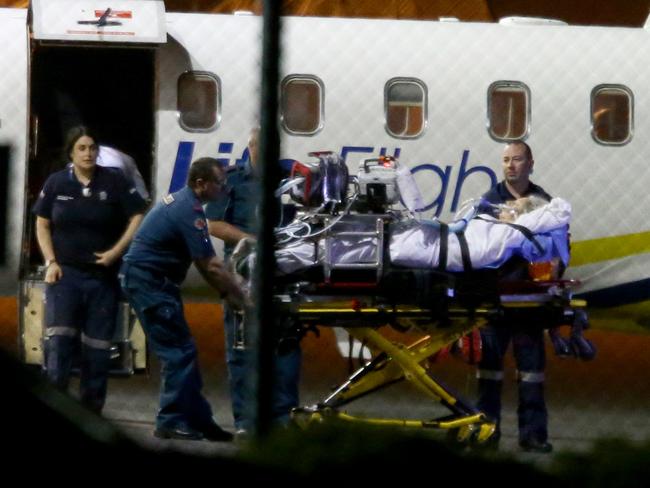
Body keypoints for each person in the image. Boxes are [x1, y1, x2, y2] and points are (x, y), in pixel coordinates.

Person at [120, 157, 247, 442]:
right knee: (178, 353)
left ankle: (199, 420)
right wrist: (237, 295)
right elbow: (210, 265)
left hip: (155, 282)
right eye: (220, 183)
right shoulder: (188, 211)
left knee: (184, 351)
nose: (224, 189)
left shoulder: (184, 203)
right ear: (201, 184)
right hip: (150, 283)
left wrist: (229, 291)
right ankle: (171, 420)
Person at [33, 126, 146, 414]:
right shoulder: (57, 183)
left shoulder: (115, 181)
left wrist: (115, 253)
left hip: (101, 280)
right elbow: (42, 223)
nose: (88, 153)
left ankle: (91, 412)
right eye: (82, 148)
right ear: (71, 153)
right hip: (65, 277)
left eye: (92, 148)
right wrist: (51, 262)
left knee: (97, 352)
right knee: (58, 346)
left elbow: (137, 214)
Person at [206, 128, 302, 437]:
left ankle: (283, 418)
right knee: (242, 348)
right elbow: (214, 224)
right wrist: (253, 240)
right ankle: (247, 421)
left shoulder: (291, 177)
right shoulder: (231, 180)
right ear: (251, 147)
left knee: (285, 346)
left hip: (284, 275)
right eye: (262, 145)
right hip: (243, 275)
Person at [476, 140, 555, 453]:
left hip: (530, 303)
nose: (511, 165)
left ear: (530, 163)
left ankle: (533, 436)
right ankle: (486, 432)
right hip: (495, 302)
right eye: (506, 159)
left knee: (532, 375)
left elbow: (558, 245)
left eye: (517, 159)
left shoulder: (543, 201)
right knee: (489, 374)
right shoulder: (488, 203)